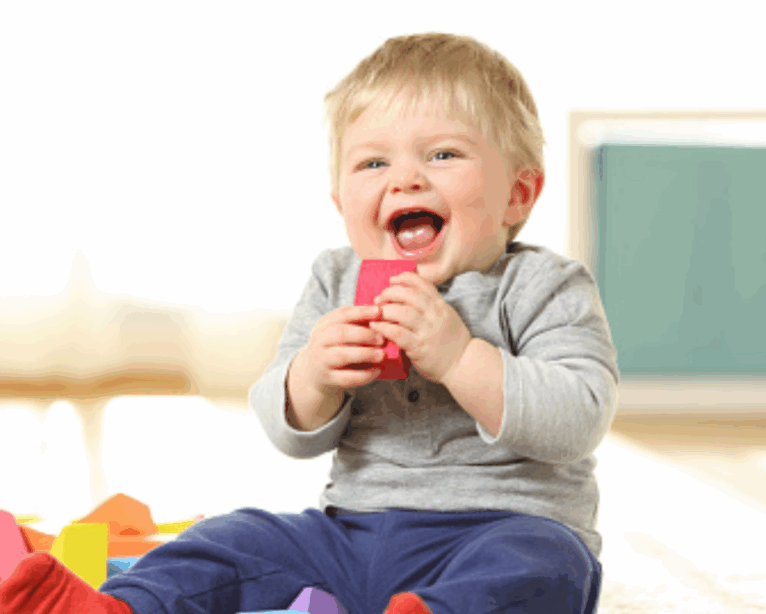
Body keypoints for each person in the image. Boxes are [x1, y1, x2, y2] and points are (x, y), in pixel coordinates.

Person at [0, 32, 619, 614]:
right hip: (350, 532)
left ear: (519, 194)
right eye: (373, 164)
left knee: (547, 566)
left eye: (443, 154)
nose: (406, 177)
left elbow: (578, 419)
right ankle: (122, 606)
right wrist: (314, 378)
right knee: (235, 536)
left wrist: (460, 359)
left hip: (502, 528)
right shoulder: (335, 279)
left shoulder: (547, 286)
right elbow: (283, 420)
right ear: (340, 203)